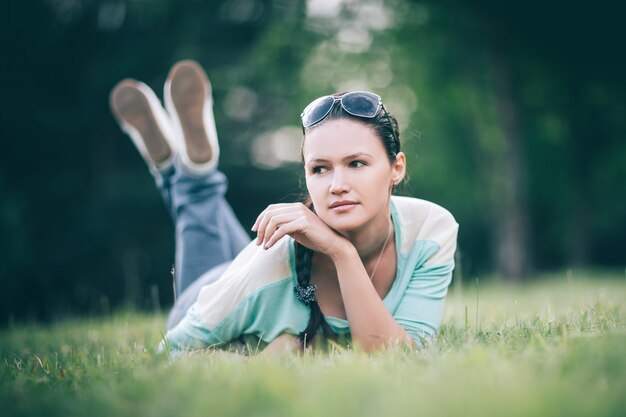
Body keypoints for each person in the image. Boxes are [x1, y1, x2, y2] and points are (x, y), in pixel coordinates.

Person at [110, 60, 458, 357]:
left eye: (356, 163)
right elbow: (168, 353)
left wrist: (341, 252)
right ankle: (188, 174)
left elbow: (396, 357)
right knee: (203, 205)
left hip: (257, 276)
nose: (336, 184)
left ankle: (176, 169)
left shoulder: (429, 231)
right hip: (218, 296)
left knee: (207, 205)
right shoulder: (265, 268)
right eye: (320, 168)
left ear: (396, 168)